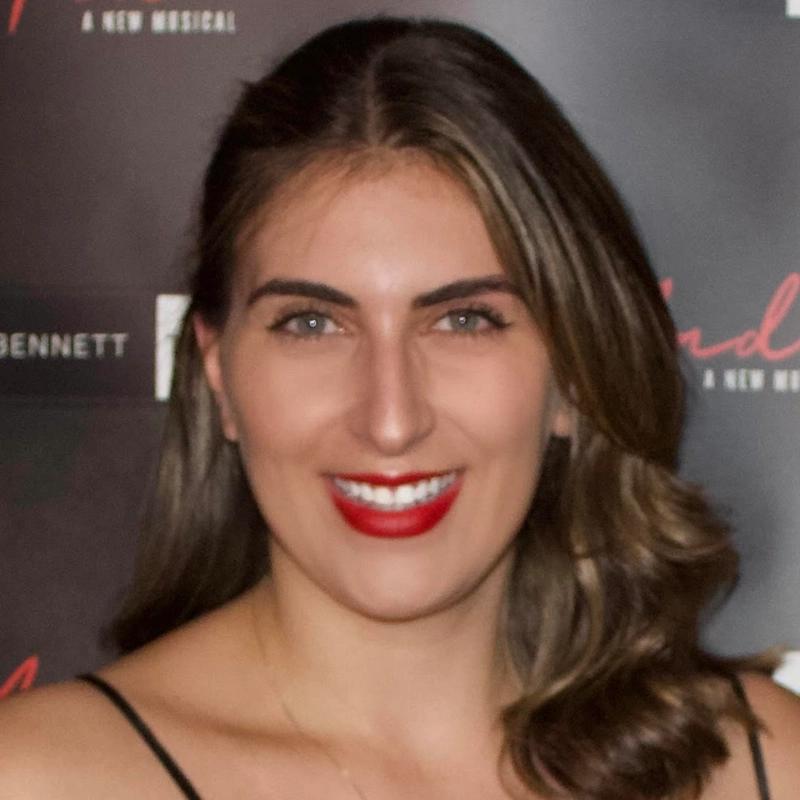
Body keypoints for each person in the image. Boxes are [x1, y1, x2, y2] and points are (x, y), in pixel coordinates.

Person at [0, 15, 798, 800]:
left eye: (464, 320)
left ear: (573, 376)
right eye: (311, 324)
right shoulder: (40, 776)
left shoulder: (761, 766)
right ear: (219, 376)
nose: (390, 417)